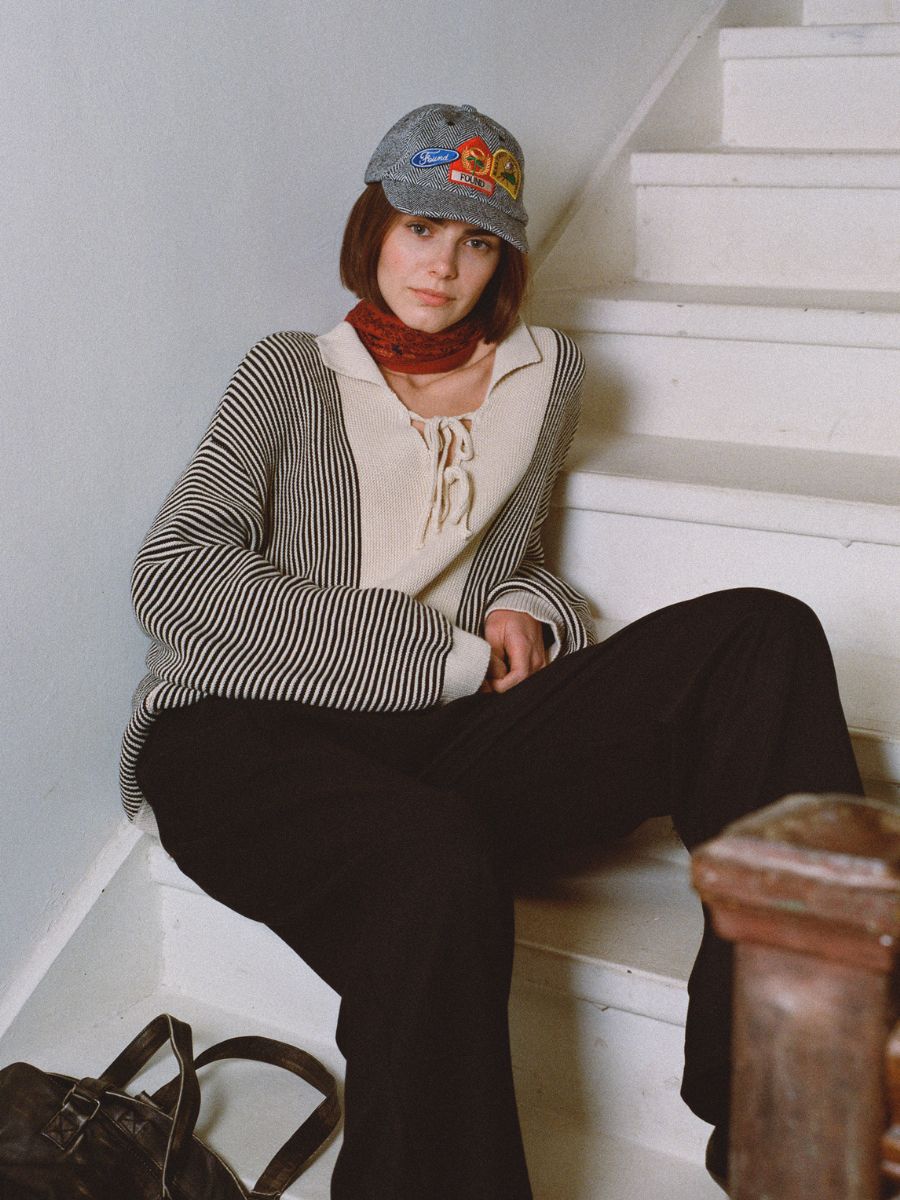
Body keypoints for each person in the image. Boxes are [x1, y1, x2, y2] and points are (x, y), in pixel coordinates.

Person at [123, 103, 862, 1199]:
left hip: (439, 737)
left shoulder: (540, 378)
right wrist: (451, 658)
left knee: (764, 634)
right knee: (430, 855)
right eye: (422, 226)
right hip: (240, 735)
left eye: (477, 241)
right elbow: (174, 576)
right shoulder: (288, 373)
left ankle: (791, 1108)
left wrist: (529, 608)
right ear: (374, 227)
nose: (443, 264)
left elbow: (513, 555)